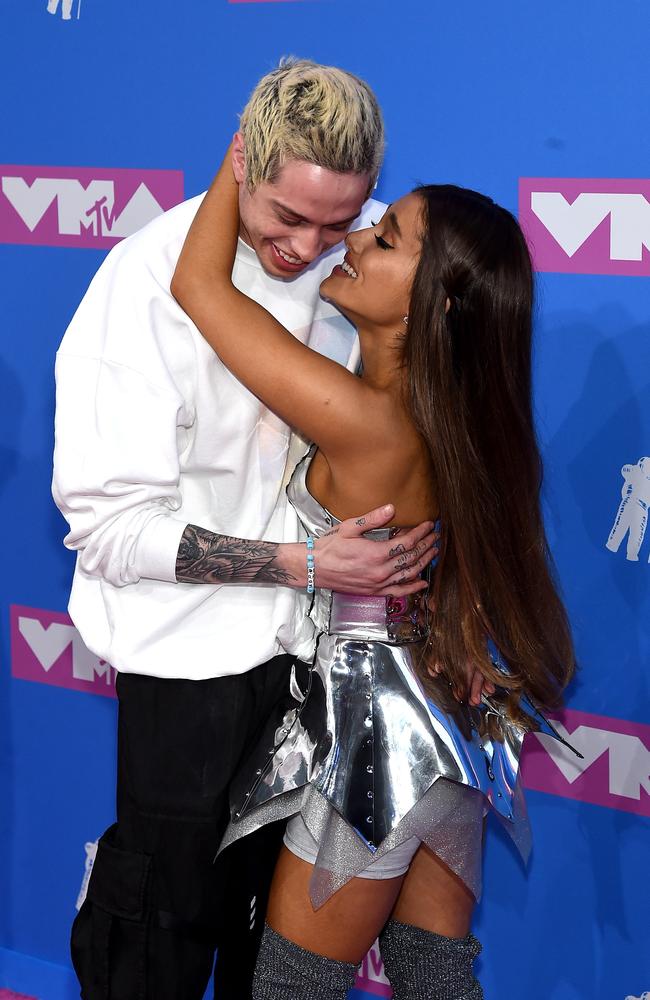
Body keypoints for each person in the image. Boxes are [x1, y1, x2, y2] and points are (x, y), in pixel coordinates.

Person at [52, 59, 438, 1000]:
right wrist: (306, 560)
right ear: (241, 162)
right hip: (188, 678)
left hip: (317, 675)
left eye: (339, 220)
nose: (310, 247)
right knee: (157, 944)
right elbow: (111, 532)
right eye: (283, 216)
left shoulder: (373, 262)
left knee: (275, 962)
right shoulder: (147, 282)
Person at [170, 150, 578, 999]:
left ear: (438, 304)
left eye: (385, 238)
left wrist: (245, 155)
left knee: (289, 987)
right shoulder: (449, 419)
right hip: (447, 731)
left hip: (372, 743)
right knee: (435, 977)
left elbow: (201, 290)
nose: (355, 238)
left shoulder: (369, 422)